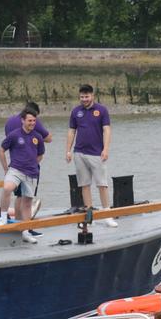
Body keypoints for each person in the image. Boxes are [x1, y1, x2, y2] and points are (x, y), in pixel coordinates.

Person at [66, 84, 116, 227]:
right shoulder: (76, 112)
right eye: (82, 97)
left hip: (96, 153)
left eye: (87, 96)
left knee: (102, 184)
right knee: (84, 184)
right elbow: (71, 131)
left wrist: (106, 149)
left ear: (92, 96)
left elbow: (107, 130)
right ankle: (89, 216)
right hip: (79, 153)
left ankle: (107, 215)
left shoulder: (101, 110)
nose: (84, 99)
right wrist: (68, 151)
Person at [0, 108, 46, 243]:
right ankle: (3, 217)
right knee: (7, 188)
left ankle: (26, 231)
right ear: (23, 120)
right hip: (15, 170)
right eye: (30, 120)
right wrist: (6, 169)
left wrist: (33, 164)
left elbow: (40, 154)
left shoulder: (38, 137)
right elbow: (1, 150)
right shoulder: (14, 135)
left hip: (30, 173)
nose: (32, 123)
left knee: (27, 202)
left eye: (34, 121)